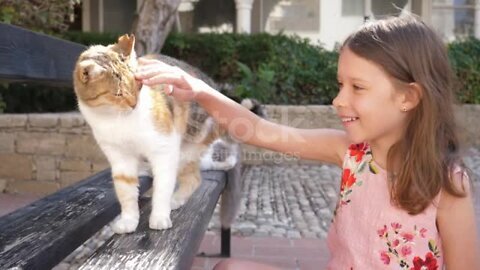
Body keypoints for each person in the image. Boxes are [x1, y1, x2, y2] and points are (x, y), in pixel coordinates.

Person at [135, 15, 479, 269]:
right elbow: (259, 131)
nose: (338, 100)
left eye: (357, 87)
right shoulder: (351, 154)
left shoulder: (446, 182)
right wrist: (198, 90)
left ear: (408, 96)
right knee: (229, 268)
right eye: (340, 84)